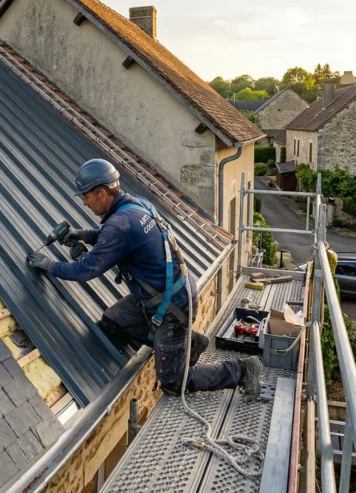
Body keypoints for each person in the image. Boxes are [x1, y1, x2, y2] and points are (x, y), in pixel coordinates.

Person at [28, 159, 260, 398]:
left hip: (173, 307)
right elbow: (115, 238)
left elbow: (85, 270)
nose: (85, 202)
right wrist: (84, 235)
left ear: (101, 193)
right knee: (113, 321)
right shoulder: (136, 205)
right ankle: (190, 343)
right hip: (164, 295)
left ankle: (241, 371)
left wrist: (50, 265)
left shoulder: (120, 225)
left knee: (173, 381)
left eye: (86, 196)